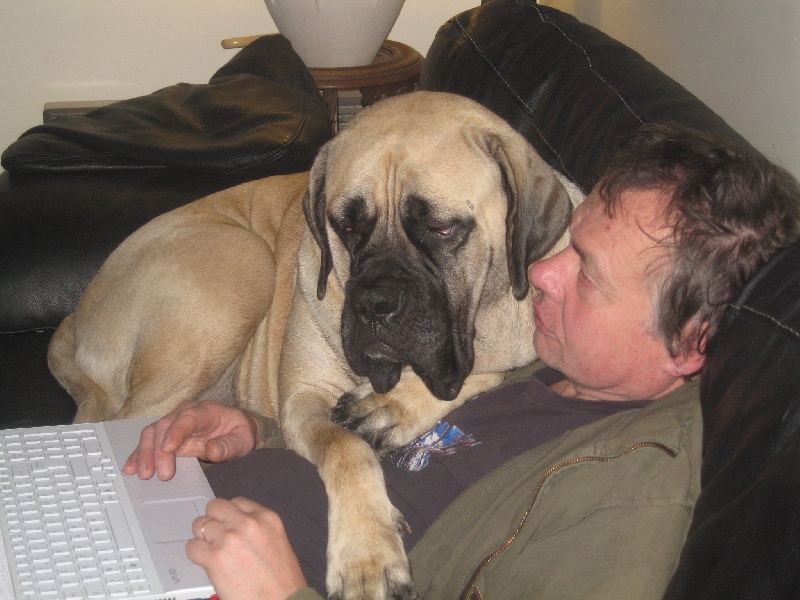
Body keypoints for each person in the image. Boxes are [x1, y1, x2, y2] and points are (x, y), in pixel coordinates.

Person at [124, 122, 800, 599]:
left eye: (588, 273)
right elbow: (411, 454)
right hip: (187, 509)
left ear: (689, 342)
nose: (543, 273)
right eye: (568, 244)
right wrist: (253, 430)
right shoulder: (559, 365)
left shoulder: (632, 494)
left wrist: (281, 594)